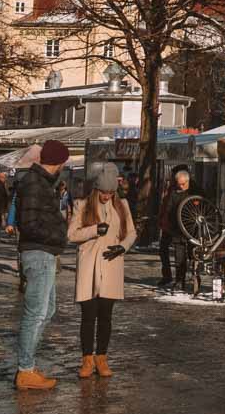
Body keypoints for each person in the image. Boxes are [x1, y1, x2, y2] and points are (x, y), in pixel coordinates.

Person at [66, 163, 138, 380]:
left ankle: (102, 357)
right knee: (89, 316)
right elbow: (71, 235)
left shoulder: (122, 205)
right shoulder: (83, 205)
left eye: (111, 192)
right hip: (89, 265)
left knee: (106, 316)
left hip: (111, 265)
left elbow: (132, 233)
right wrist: (94, 230)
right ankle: (87, 359)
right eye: (104, 192)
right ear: (97, 189)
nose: (107, 196)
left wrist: (122, 247)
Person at [14, 139, 71, 391]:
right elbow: (29, 224)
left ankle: (28, 365)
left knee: (46, 311)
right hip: (39, 254)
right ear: (59, 162)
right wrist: (58, 236)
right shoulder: (35, 184)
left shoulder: (40, 183)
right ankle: (25, 370)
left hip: (44, 253)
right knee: (36, 312)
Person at [158, 166, 193, 290]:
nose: (180, 186)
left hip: (189, 227)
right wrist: (163, 220)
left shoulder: (193, 190)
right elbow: (167, 207)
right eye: (179, 183)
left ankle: (184, 279)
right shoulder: (173, 190)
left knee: (186, 255)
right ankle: (173, 278)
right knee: (173, 253)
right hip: (173, 226)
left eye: (183, 184)